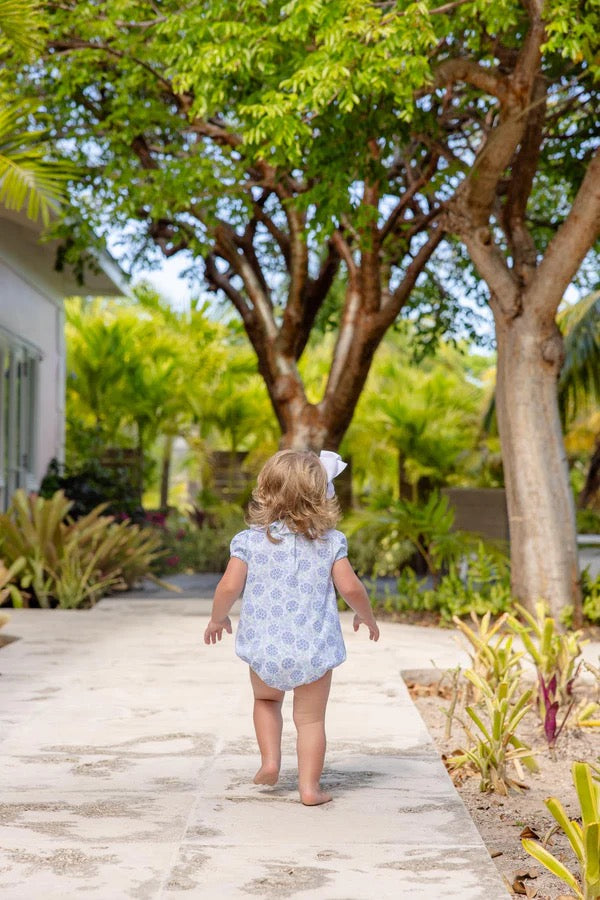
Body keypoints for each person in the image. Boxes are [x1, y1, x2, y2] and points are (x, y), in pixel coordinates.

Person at [203, 449, 380, 806]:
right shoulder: (331, 542)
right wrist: (366, 614)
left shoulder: (249, 541)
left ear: (264, 491)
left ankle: (270, 762)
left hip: (266, 648)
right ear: (321, 495)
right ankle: (310, 789)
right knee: (311, 720)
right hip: (313, 649)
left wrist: (218, 617)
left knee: (266, 701)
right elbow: (349, 587)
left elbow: (228, 587)